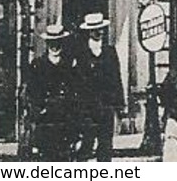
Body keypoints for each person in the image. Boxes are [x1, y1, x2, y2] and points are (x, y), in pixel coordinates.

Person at [73, 13, 124, 161]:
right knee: (86, 144)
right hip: (87, 107)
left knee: (106, 145)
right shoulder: (81, 53)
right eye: (96, 29)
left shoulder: (110, 51)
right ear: (89, 31)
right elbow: (76, 81)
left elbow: (116, 78)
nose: (100, 32)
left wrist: (119, 105)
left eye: (102, 29)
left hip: (106, 107)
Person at [23, 24, 77, 161]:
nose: (55, 46)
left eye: (58, 43)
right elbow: (31, 92)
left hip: (66, 118)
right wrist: (38, 111)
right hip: (46, 118)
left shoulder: (69, 64)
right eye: (52, 43)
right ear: (47, 44)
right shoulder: (38, 64)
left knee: (65, 155)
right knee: (47, 156)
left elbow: (76, 89)